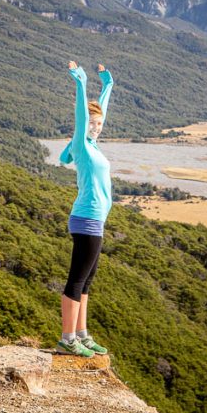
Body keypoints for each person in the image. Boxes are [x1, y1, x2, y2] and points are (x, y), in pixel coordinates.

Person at [55, 60, 114, 358]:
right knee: (77, 281)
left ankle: (82, 335)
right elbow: (83, 115)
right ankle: (67, 339)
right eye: (92, 124)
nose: (96, 128)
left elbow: (98, 112)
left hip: (95, 221)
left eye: (100, 124)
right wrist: (81, 82)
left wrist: (108, 85)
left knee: (87, 281)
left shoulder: (94, 145)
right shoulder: (81, 144)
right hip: (86, 220)